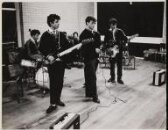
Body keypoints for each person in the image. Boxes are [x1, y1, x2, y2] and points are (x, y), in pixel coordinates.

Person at [39, 14, 70, 114]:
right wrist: (48, 56)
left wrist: (75, 47)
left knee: (60, 82)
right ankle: (52, 103)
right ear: (51, 23)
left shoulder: (61, 34)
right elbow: (42, 48)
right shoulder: (45, 35)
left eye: (58, 21)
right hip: (52, 63)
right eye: (56, 22)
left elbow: (67, 46)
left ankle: (57, 99)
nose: (58, 23)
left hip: (61, 62)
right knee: (53, 83)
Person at [79, 16, 101, 103]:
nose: (94, 25)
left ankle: (89, 94)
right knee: (91, 77)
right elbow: (83, 48)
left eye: (95, 23)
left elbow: (99, 44)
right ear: (87, 23)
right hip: (88, 58)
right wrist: (93, 49)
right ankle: (95, 96)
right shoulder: (83, 34)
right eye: (92, 23)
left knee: (90, 76)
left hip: (95, 58)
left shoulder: (97, 34)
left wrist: (99, 48)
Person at [104, 18, 128, 84]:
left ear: (116, 25)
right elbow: (105, 41)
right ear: (110, 25)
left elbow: (125, 40)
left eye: (114, 25)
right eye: (111, 25)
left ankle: (119, 79)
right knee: (111, 65)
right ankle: (112, 78)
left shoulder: (120, 31)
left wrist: (119, 45)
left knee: (119, 65)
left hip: (119, 51)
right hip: (111, 51)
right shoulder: (107, 32)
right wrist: (107, 48)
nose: (112, 27)